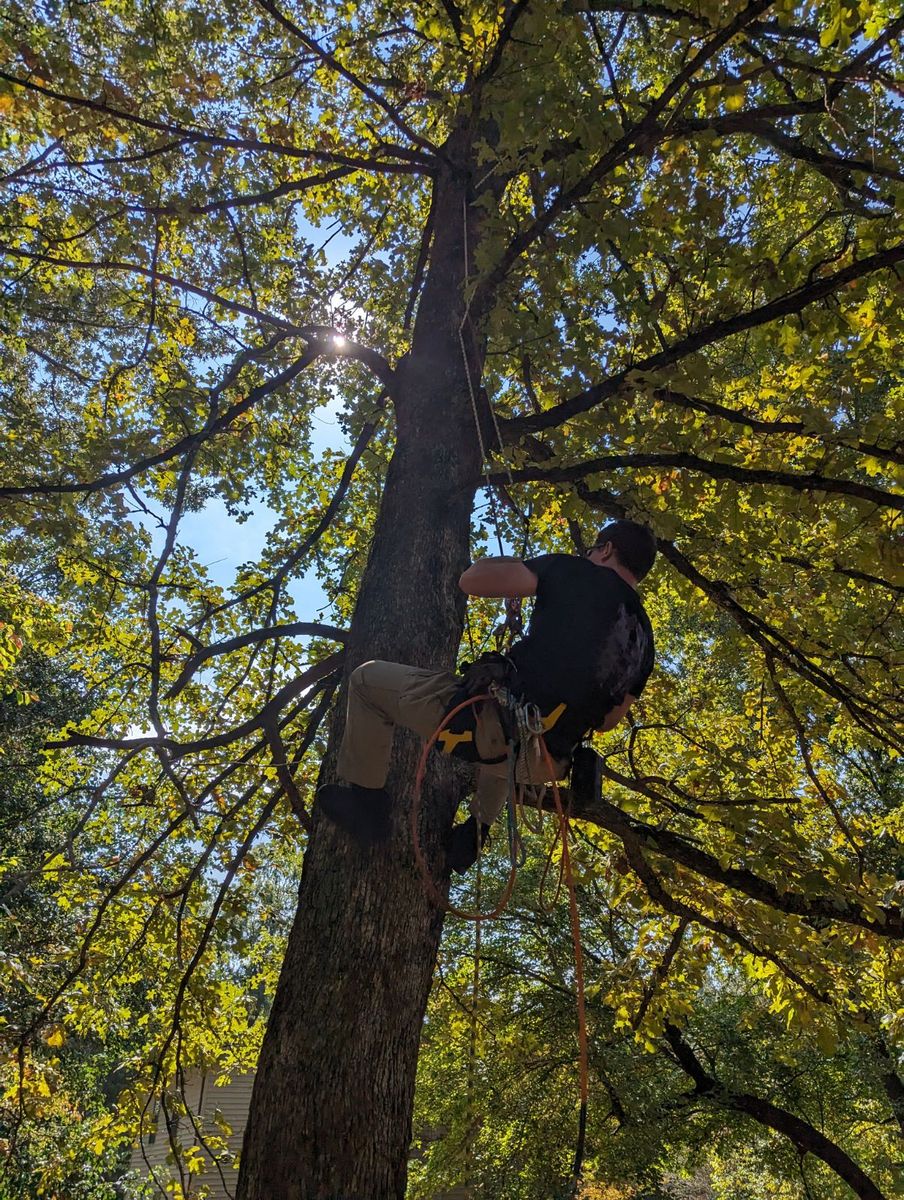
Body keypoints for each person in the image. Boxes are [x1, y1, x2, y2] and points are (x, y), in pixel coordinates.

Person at [317, 520, 657, 872]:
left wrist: (512, 565)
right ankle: (477, 831)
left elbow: (471, 580)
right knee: (508, 743)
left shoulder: (573, 570)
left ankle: (367, 806)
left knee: (366, 681)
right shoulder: (645, 642)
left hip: (491, 731)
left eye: (592, 549)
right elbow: (607, 722)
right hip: (545, 764)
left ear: (606, 549)